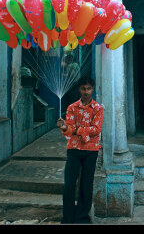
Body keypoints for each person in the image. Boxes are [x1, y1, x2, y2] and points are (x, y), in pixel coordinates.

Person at [57, 76, 103, 224]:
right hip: (74, 149)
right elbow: (69, 129)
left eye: (89, 88)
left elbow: (96, 130)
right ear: (79, 89)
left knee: (86, 184)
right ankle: (68, 217)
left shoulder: (97, 109)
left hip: (91, 151)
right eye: (83, 88)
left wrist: (76, 130)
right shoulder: (71, 108)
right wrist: (64, 128)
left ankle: (82, 217)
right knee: (69, 185)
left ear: (93, 89)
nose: (86, 92)